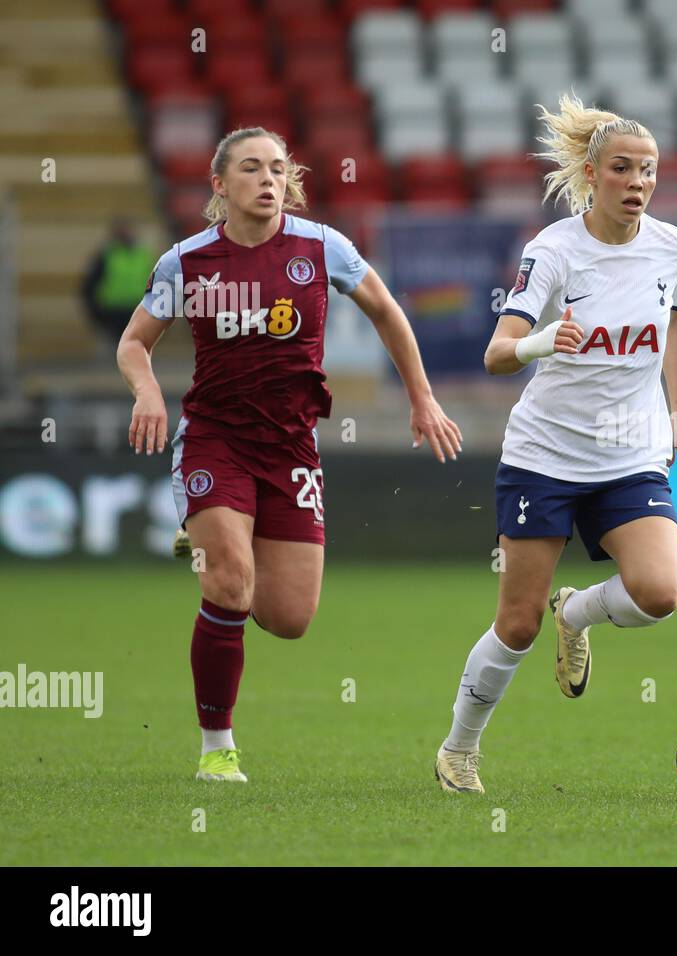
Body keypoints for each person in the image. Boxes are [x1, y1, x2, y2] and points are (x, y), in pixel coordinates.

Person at [116, 127, 462, 783]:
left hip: (291, 447)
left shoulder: (322, 246)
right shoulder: (186, 263)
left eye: (278, 168)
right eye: (251, 168)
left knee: (288, 617)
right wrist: (147, 393)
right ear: (221, 185)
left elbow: (388, 311)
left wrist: (422, 398)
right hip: (214, 438)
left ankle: (207, 543)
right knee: (230, 583)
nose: (269, 179)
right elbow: (135, 342)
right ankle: (217, 747)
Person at [434, 94, 677, 795]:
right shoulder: (553, 250)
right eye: (623, 169)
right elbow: (497, 354)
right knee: (517, 624)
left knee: (660, 591)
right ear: (591, 172)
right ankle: (460, 748)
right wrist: (547, 339)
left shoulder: (673, 249)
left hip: (629, 452)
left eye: (648, 171)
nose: (638, 182)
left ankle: (577, 612)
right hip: (545, 457)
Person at [82, 217, 156, 357]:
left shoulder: (144, 254)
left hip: (137, 310)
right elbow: (89, 285)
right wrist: (96, 311)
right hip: (112, 311)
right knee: (114, 353)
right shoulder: (106, 255)